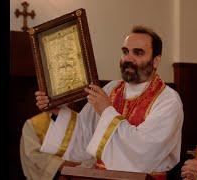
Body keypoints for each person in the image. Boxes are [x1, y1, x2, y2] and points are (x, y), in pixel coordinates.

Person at [20, 25, 184, 180]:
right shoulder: (111, 89)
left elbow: (144, 152)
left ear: (156, 60)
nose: (128, 58)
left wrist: (106, 111)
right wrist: (57, 111)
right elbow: (85, 135)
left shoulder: (168, 100)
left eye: (138, 53)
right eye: (125, 52)